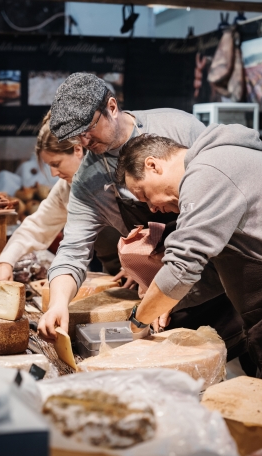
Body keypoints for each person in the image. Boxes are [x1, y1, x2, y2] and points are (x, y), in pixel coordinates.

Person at [38, 72, 244, 357]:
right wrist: (59, 303)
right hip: (168, 292)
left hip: (226, 274)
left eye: (88, 128)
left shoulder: (178, 128)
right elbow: (73, 250)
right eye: (76, 136)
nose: (84, 142)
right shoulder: (88, 181)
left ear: (111, 107)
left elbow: (229, 190)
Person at [114, 126, 262, 388]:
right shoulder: (221, 162)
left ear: (153, 165)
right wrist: (166, 302)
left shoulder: (207, 172)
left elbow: (181, 268)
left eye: (144, 194)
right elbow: (210, 269)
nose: (151, 207)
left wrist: (137, 321)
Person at [0, 111, 121, 282]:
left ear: (78, 149)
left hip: (153, 272)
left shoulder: (116, 174)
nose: (53, 173)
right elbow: (37, 226)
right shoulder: (65, 189)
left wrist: (137, 263)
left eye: (56, 164)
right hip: (115, 275)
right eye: (49, 166)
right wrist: (6, 262)